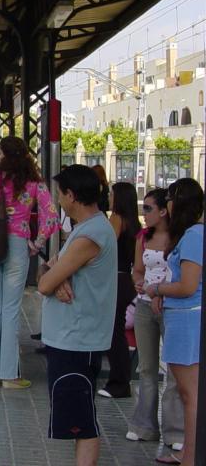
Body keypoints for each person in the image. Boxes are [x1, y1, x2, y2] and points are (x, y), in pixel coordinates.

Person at [38, 164, 118, 466]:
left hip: (77, 340)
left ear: (72, 195)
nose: (57, 199)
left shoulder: (90, 235)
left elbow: (44, 282)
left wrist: (55, 278)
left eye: (60, 193)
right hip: (70, 338)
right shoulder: (85, 230)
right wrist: (59, 277)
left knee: (82, 423)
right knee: (77, 418)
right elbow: (50, 269)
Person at [0, 136, 59, 389]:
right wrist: (36, 244)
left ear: (3, 154)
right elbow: (51, 217)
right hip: (18, 246)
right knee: (10, 310)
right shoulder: (34, 182)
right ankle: (9, 375)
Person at [144, 178, 203, 466]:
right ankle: (188, 452)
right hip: (181, 318)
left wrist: (157, 289)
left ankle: (190, 456)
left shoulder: (193, 236)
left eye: (169, 198)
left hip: (186, 320)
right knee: (187, 392)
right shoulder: (191, 235)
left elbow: (188, 285)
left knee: (189, 394)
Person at [127, 188, 184, 454]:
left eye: (148, 208)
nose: (144, 213)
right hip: (145, 307)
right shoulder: (143, 237)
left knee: (173, 370)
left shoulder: (180, 238)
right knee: (147, 368)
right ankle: (144, 425)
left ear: (164, 211)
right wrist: (139, 282)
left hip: (173, 307)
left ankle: (176, 430)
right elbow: (137, 269)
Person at [97, 182, 140, 398]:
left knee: (113, 333)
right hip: (125, 280)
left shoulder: (116, 219)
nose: (109, 197)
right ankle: (121, 380)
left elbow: (106, 246)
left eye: (112, 194)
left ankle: (119, 382)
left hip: (115, 279)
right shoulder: (134, 223)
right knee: (117, 331)